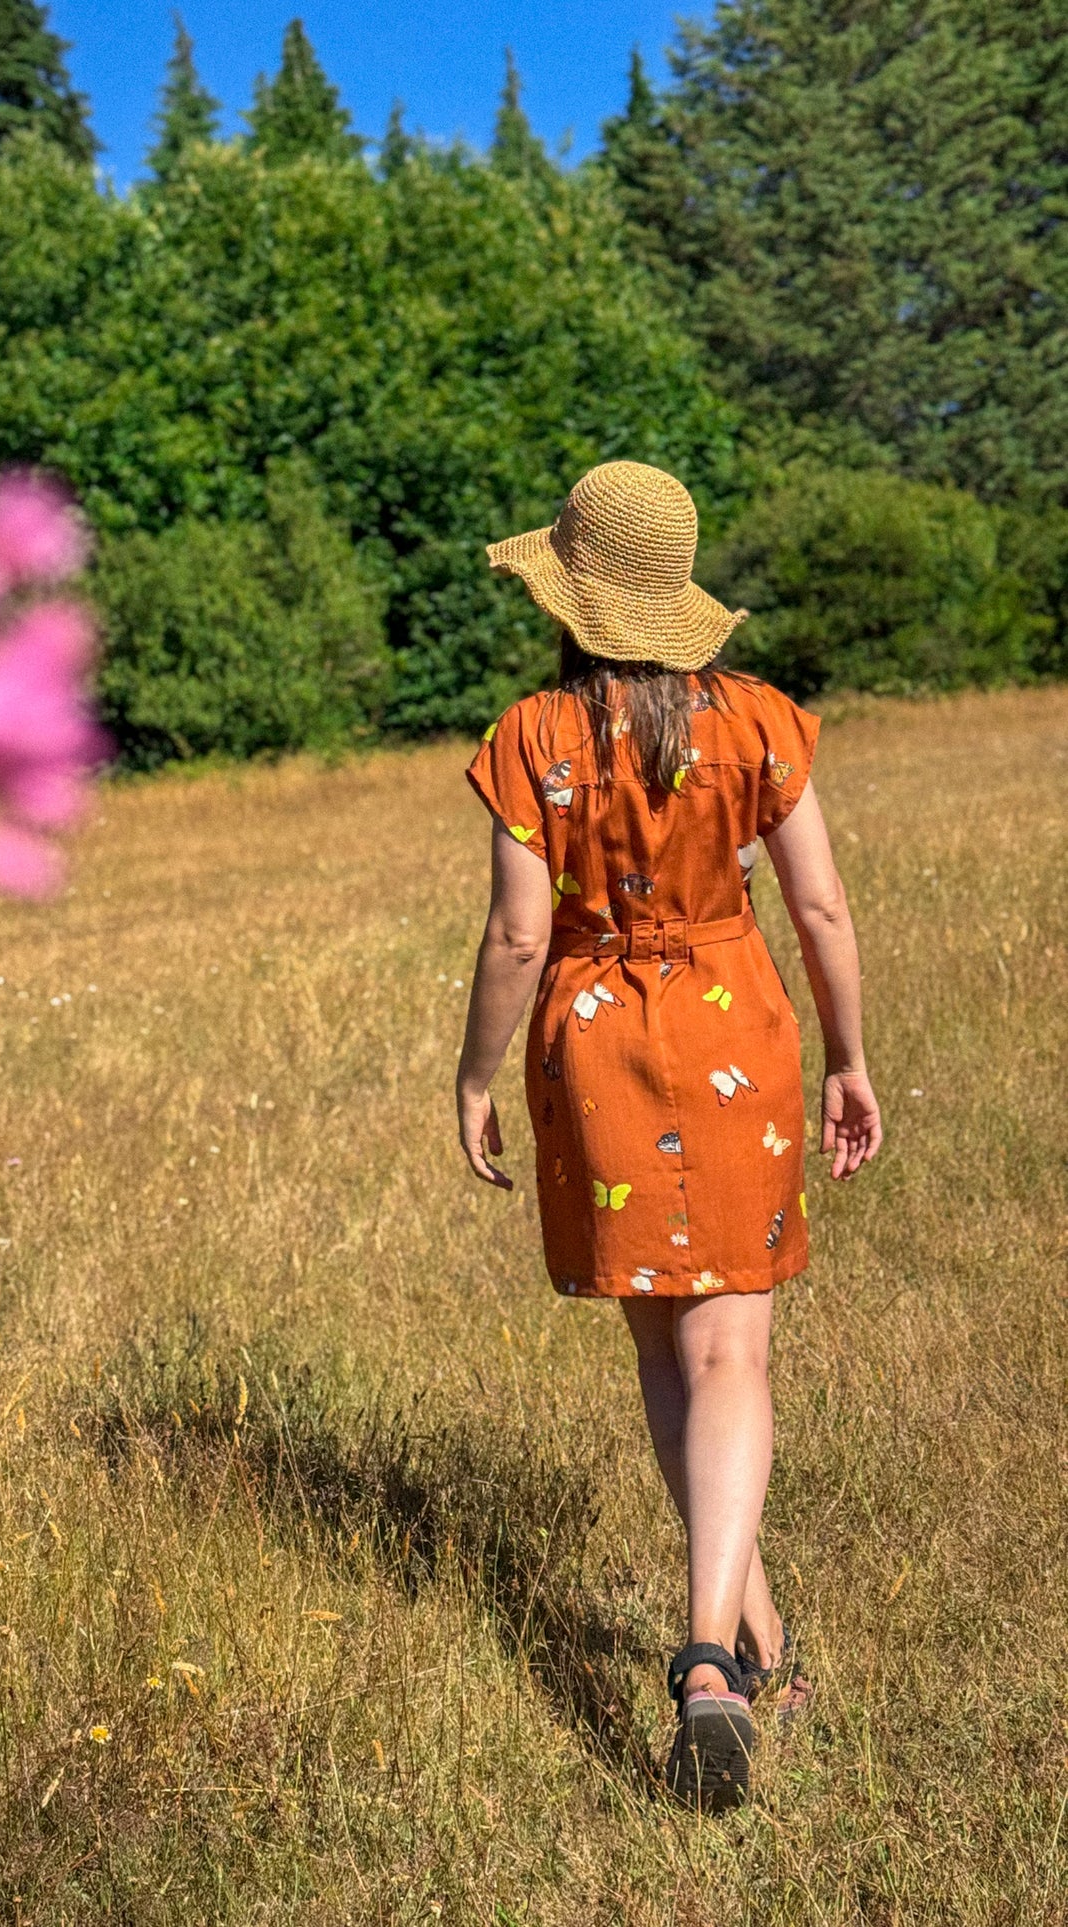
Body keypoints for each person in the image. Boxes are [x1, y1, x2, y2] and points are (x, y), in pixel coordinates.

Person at [455, 460, 881, 1813]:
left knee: (664, 1341)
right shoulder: (758, 723)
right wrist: (852, 1057)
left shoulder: (532, 735)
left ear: (571, 596)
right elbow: (818, 911)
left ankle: (738, 1648)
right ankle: (722, 1653)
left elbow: (521, 933)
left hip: (595, 1044)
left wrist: (471, 1076)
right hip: (735, 1034)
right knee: (732, 1346)